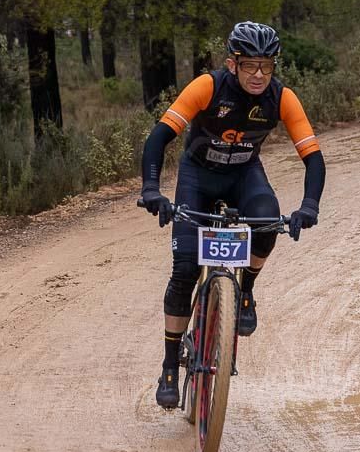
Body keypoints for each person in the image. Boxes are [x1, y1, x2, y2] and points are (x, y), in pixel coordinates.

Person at [139, 21, 326, 408]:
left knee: (267, 220)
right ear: (232, 64)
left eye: (267, 66)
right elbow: (159, 137)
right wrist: (152, 190)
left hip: (243, 175)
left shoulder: (281, 98)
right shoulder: (208, 87)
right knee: (186, 268)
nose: (259, 75)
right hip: (198, 177)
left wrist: (309, 206)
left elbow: (314, 158)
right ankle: (170, 364)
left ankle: (247, 292)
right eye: (250, 66)